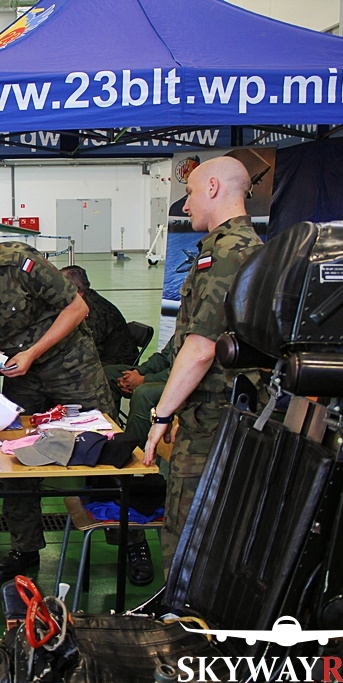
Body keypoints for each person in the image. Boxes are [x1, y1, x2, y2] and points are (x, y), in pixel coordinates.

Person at [0, 243, 113, 581]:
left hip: (72, 364)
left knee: (106, 448)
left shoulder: (16, 262)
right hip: (22, 375)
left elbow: (77, 308)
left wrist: (32, 352)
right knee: (16, 460)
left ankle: (129, 538)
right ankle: (25, 548)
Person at [143, 156, 265, 573]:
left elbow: (200, 349)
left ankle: (187, 611)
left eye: (190, 192)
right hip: (219, 414)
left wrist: (163, 415)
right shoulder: (244, 247)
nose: (185, 205)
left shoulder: (227, 252)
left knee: (189, 534)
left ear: (213, 188)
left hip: (216, 420)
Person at [60, 265, 139, 366]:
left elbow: (92, 347)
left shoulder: (93, 310)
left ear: (72, 288)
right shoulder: (86, 298)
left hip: (116, 361)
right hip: (107, 355)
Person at [105, 339, 174, 449]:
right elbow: (163, 358)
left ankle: (131, 449)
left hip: (186, 385)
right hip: (166, 377)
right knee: (110, 374)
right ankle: (108, 436)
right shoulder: (183, 330)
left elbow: (184, 372)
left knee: (144, 393)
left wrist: (144, 379)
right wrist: (138, 371)